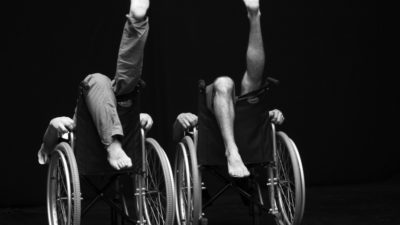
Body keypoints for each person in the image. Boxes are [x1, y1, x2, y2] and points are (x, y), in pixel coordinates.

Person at [173, 0, 284, 178]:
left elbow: (254, 82)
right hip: (210, 128)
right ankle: (231, 150)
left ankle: (254, 17)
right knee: (224, 84)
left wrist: (269, 114)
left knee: (251, 87)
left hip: (245, 126)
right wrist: (180, 119)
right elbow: (175, 134)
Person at [37, 0, 152, 171]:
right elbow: (46, 146)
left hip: (119, 115)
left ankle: (137, 21)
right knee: (98, 80)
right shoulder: (70, 126)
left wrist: (138, 119)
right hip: (87, 129)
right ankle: (113, 146)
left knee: (126, 85)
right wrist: (53, 127)